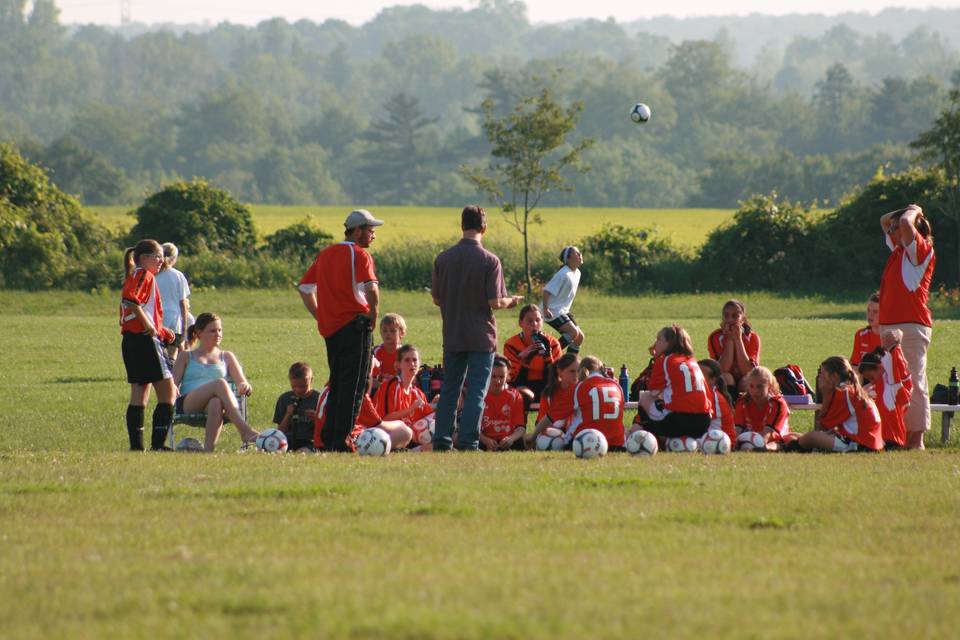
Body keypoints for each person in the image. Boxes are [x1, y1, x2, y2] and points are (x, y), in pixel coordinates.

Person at [431, 205, 524, 451]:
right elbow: (494, 301)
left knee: (450, 389)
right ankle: (469, 442)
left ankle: (442, 440)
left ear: (462, 225)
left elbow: (437, 299)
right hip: (481, 337)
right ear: (484, 227)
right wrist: (510, 301)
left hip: (452, 334)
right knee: (476, 392)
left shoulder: (443, 258)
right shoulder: (490, 260)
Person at [299, 209, 382, 452]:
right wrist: (373, 315)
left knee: (337, 383)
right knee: (354, 386)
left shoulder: (325, 254)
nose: (373, 235)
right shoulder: (359, 254)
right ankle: (342, 441)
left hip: (331, 331)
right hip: (356, 327)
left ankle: (328, 437)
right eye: (370, 230)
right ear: (357, 231)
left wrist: (320, 314)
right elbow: (371, 289)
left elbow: (305, 289)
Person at [879, 204, 935, 450]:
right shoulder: (900, 250)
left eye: (897, 229)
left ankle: (916, 440)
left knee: (913, 380)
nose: (892, 231)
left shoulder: (919, 249)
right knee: (896, 381)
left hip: (911, 325)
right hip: (893, 325)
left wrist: (913, 211)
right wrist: (909, 209)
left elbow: (904, 224)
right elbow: (884, 219)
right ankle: (900, 436)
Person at [120, 239, 178, 451]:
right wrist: (150, 327)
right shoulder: (144, 274)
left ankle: (137, 447)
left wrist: (164, 332)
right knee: (168, 392)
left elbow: (141, 309)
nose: (161, 261)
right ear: (144, 258)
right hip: (144, 341)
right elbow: (130, 300)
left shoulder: (136, 274)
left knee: (139, 391)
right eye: (158, 257)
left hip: (131, 341)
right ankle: (158, 445)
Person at [172, 313, 259, 452]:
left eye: (220, 330)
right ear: (199, 333)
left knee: (216, 402)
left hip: (214, 404)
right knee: (220, 383)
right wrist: (173, 388)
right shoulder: (186, 356)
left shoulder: (227, 356)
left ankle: (208, 451)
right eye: (213, 331)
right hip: (189, 402)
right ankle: (244, 431)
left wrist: (244, 386)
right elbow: (172, 384)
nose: (218, 334)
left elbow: (242, 382)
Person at [633, 325, 711, 443]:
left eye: (659, 339)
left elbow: (653, 391)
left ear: (669, 343)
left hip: (679, 420)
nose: (655, 343)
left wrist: (657, 359)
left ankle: (654, 440)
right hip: (704, 422)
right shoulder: (692, 361)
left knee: (645, 397)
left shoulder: (664, 360)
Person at [797, 356, 883, 453]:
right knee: (797, 435)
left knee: (811, 437)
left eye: (822, 374)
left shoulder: (844, 392)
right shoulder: (851, 389)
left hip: (860, 445)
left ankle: (790, 447)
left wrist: (825, 393)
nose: (819, 377)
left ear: (835, 376)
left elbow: (822, 426)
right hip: (869, 442)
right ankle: (794, 443)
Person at [313, 371, 414, 452]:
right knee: (405, 432)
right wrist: (400, 423)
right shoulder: (357, 391)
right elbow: (380, 425)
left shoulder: (330, 383)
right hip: (347, 443)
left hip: (319, 443)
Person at [373, 344, 435, 449]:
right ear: (398, 365)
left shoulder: (418, 393)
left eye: (415, 360)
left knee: (437, 443)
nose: (412, 364)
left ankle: (411, 451)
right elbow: (385, 420)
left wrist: (436, 405)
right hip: (385, 435)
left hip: (409, 439)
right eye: (407, 360)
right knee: (406, 432)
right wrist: (411, 409)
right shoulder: (391, 386)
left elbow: (428, 419)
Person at [859, 330, 912, 450]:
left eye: (871, 377)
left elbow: (896, 364)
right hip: (881, 438)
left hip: (894, 439)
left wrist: (895, 346)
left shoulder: (892, 383)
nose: (871, 381)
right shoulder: (877, 386)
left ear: (879, 367)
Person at [502, 304, 563, 405]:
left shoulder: (552, 343)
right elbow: (510, 378)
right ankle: (520, 420)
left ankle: (543, 421)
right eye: (530, 321)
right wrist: (524, 359)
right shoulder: (511, 344)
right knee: (524, 395)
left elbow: (558, 375)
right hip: (522, 385)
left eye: (538, 320)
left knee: (552, 395)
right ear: (520, 323)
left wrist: (547, 356)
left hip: (547, 384)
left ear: (542, 322)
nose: (534, 324)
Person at [563, 356, 625, 451]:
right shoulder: (616, 385)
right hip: (617, 443)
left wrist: (565, 442)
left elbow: (573, 419)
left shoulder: (580, 386)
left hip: (586, 441)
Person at [733, 366, 796, 451]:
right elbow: (737, 429)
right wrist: (734, 443)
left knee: (780, 442)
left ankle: (764, 449)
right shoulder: (742, 402)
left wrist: (758, 444)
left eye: (760, 387)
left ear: (769, 386)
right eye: (751, 386)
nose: (755, 391)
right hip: (751, 438)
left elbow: (769, 432)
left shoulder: (778, 404)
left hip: (775, 438)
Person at [525, 353, 580, 449]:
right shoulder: (549, 393)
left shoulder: (581, 390)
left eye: (578, 371)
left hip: (574, 434)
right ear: (560, 371)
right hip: (552, 430)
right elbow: (541, 423)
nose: (576, 375)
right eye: (571, 371)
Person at [706, 299, 761, 391]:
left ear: (742, 319)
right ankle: (727, 404)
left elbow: (748, 371)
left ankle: (743, 405)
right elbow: (721, 370)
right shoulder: (714, 337)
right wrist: (730, 340)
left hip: (745, 378)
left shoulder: (753, 338)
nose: (730, 320)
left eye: (735, 316)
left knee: (747, 382)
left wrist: (738, 339)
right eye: (726, 316)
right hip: (726, 377)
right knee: (726, 378)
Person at [542, 246, 584, 353]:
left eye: (580, 253)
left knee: (579, 338)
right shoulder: (563, 274)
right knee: (573, 332)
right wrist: (546, 310)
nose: (580, 255)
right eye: (576, 254)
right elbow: (546, 291)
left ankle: (569, 365)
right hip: (553, 311)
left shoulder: (577, 272)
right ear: (568, 259)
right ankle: (549, 355)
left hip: (563, 311)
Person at [479, 357, 527, 451]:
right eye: (493, 376)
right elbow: (472, 427)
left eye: (501, 377)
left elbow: (521, 428)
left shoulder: (515, 396)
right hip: (484, 441)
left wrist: (511, 439)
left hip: (509, 441)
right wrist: (486, 440)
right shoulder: (479, 396)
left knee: (524, 442)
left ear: (507, 376)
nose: (498, 381)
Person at [154, 242, 191, 364]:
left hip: (155, 319)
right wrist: (184, 328)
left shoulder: (153, 275)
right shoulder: (178, 275)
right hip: (173, 321)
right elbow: (183, 304)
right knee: (171, 358)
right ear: (174, 258)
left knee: (157, 356)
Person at [273, 362, 322, 453]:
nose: (298, 390)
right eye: (294, 386)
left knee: (302, 452)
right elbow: (280, 432)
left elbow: (326, 432)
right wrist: (288, 415)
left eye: (303, 386)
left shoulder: (319, 399)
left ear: (311, 381)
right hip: (288, 440)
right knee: (271, 447)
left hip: (310, 441)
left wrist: (317, 419)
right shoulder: (284, 399)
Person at [699, 358, 737, 445]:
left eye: (700, 375)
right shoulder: (707, 393)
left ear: (713, 380)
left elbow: (700, 421)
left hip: (723, 442)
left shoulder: (713, 396)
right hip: (712, 437)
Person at [371, 313, 406, 395]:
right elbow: (368, 379)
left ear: (402, 333)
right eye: (385, 330)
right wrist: (383, 387)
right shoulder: (375, 351)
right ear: (380, 332)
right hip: (378, 390)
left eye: (392, 331)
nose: (388, 334)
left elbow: (410, 379)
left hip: (398, 391)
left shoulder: (405, 353)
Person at [850, 291, 881, 367]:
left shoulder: (892, 338)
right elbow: (855, 365)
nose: (870, 315)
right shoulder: (860, 335)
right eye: (868, 310)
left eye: (875, 312)